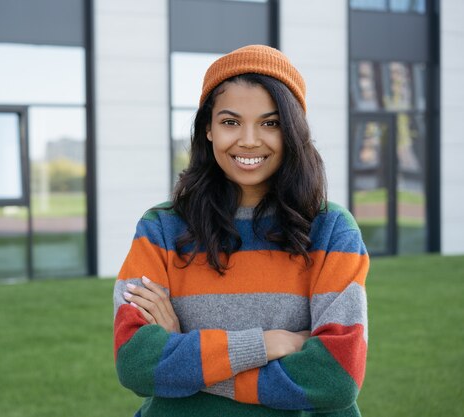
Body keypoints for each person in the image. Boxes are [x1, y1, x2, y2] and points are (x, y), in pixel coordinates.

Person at [113, 45, 369, 417]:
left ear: (293, 131)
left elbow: (335, 378)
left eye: (270, 123)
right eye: (231, 122)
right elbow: (136, 363)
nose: (249, 140)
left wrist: (184, 359)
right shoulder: (160, 229)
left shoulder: (331, 230)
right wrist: (267, 344)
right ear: (208, 130)